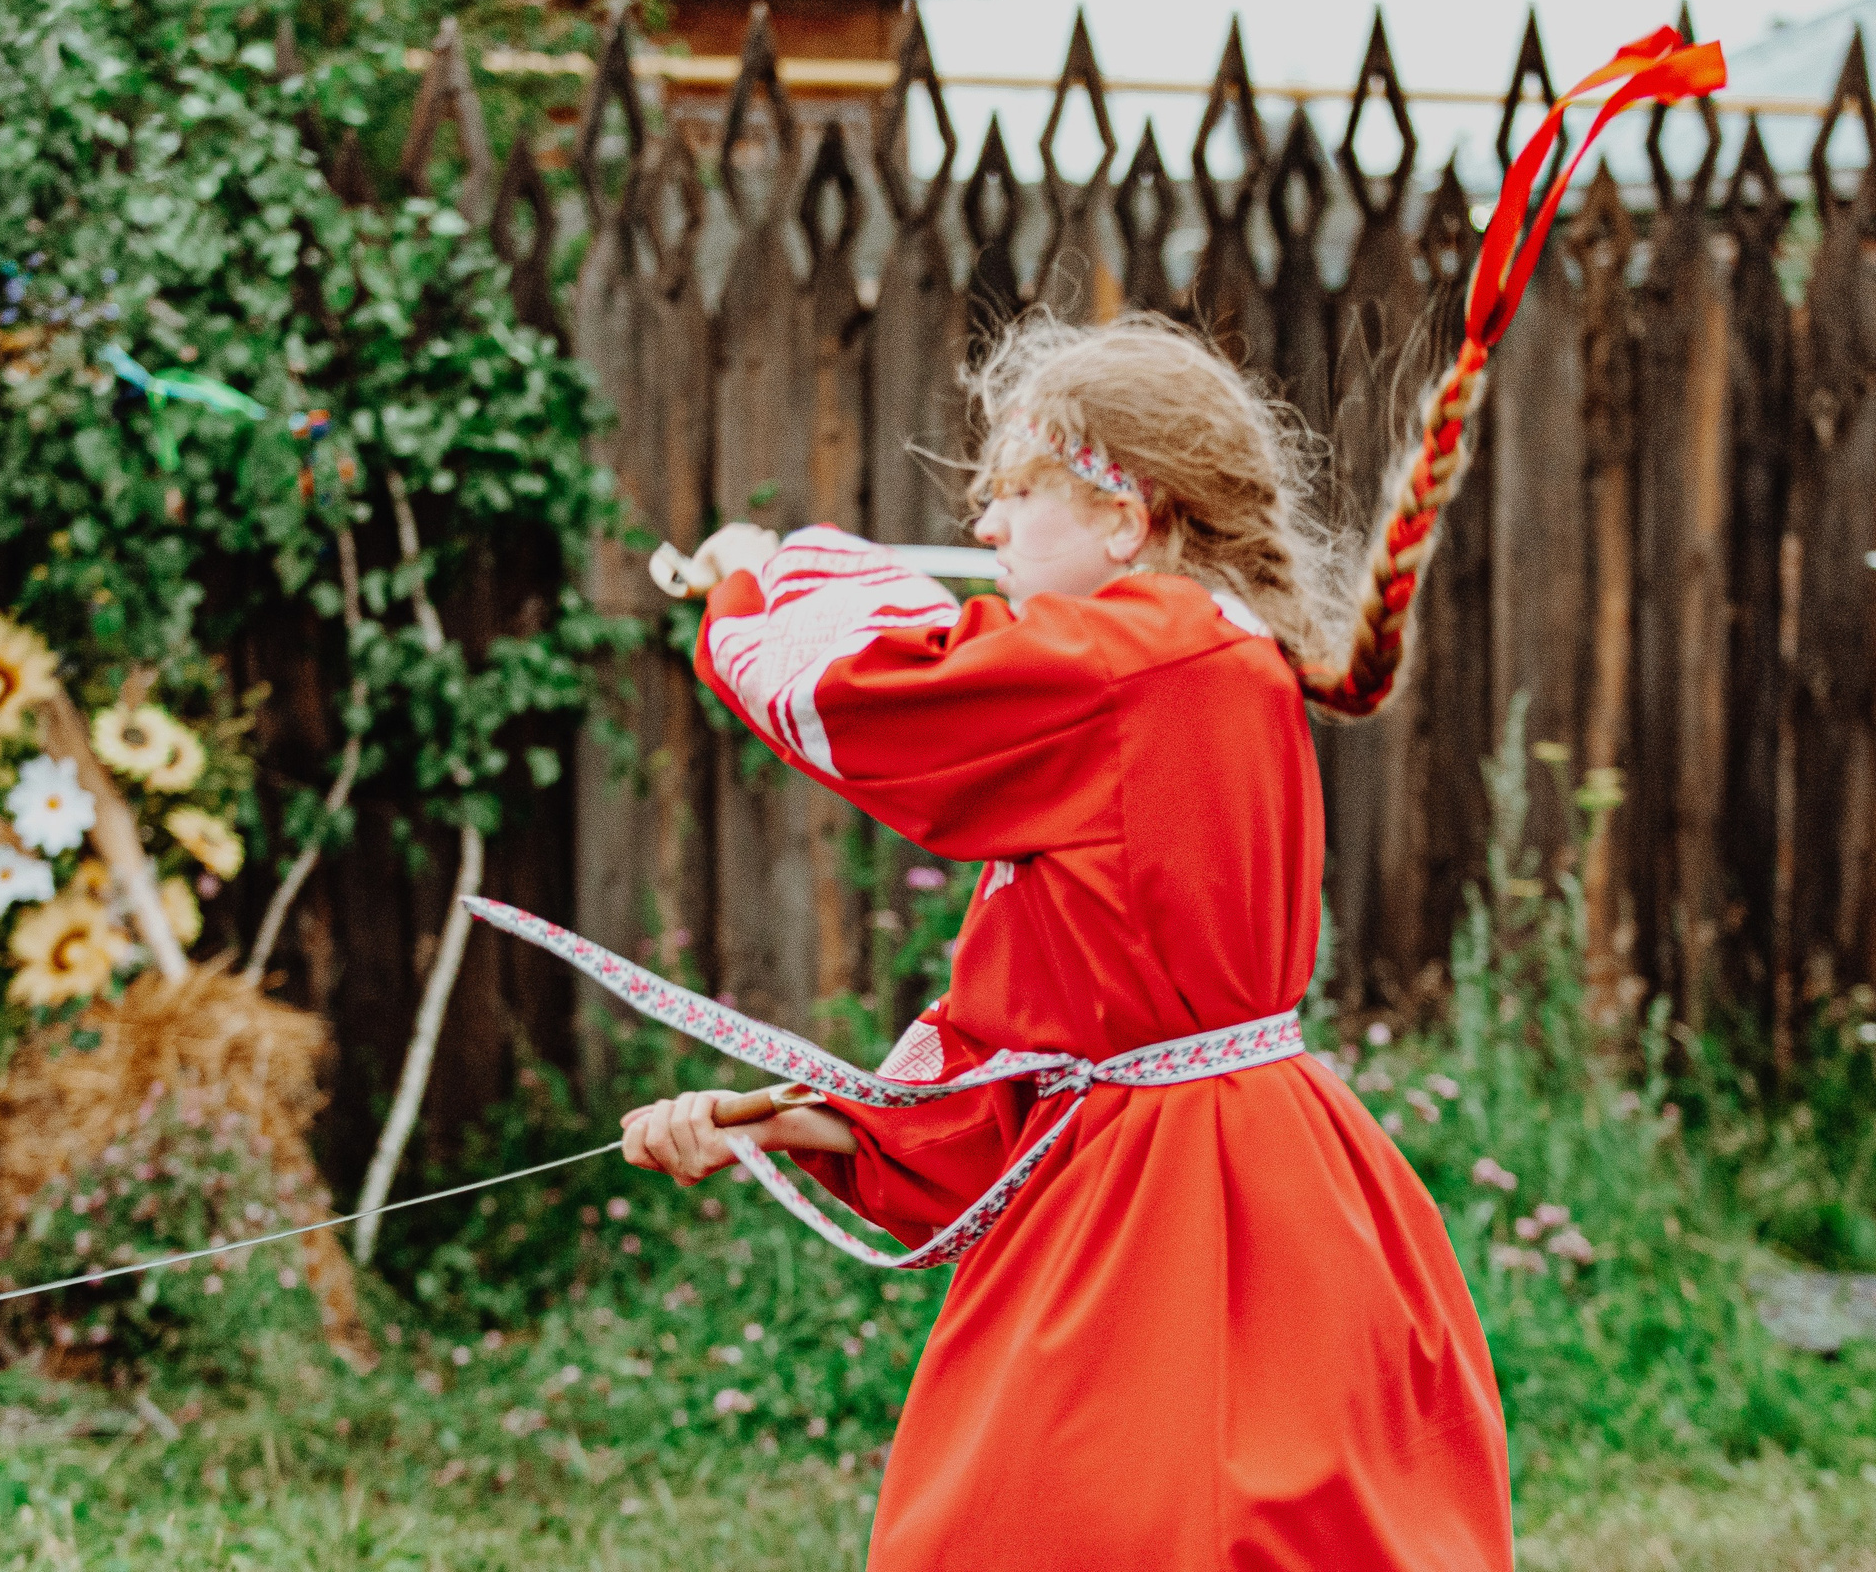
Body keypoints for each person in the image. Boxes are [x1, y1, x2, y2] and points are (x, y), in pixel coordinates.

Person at [621, 315, 1513, 1570]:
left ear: (1123, 513)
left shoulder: (1135, 661)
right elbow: (1054, 1046)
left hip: (1168, 1223)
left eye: (1014, 493)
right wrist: (790, 1119)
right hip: (1255, 1185)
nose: (986, 530)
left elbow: (872, 687)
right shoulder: (1203, 657)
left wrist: (754, 582)